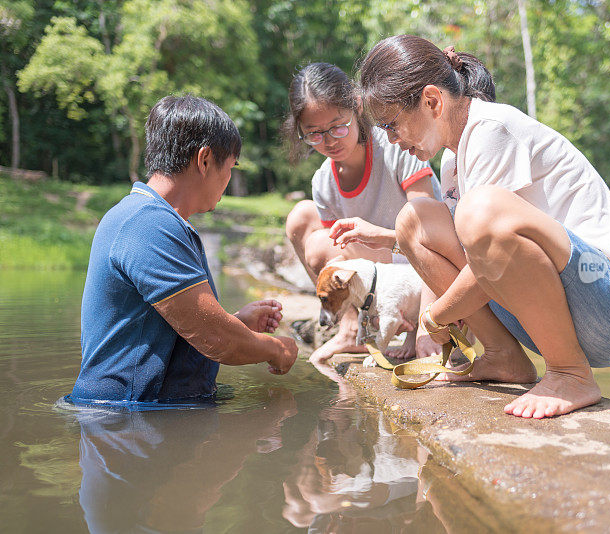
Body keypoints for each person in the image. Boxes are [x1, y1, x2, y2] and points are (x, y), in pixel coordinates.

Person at [359, 35, 610, 419]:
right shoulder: (452, 163)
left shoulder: (493, 129)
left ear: (431, 101)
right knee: (414, 221)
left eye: (392, 125)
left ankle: (570, 373)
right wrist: (436, 314)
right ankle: (503, 356)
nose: (391, 140)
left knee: (480, 211)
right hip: (563, 312)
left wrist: (436, 316)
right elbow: (487, 261)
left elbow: (486, 254)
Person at [69, 95, 298, 405]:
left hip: (144, 413)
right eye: (229, 168)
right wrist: (276, 349)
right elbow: (215, 339)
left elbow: (186, 328)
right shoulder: (148, 224)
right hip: (124, 422)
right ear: (204, 160)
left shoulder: (153, 219)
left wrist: (237, 323)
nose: (228, 181)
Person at [282, 62, 443, 363]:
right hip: (376, 276)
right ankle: (351, 327)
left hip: (423, 265)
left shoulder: (397, 147)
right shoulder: (324, 182)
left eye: (337, 127)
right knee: (302, 220)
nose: (329, 141)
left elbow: (432, 235)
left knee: (417, 224)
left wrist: (426, 329)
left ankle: (422, 323)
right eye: (314, 134)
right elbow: (337, 259)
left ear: (356, 107)